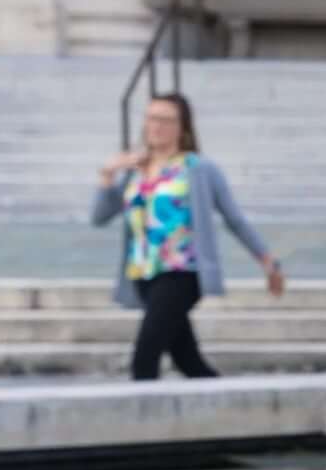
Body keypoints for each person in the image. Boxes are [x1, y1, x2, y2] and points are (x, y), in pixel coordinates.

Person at [89, 92, 283, 379]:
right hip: (144, 273)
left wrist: (268, 261)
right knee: (188, 361)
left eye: (166, 120)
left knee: (145, 358)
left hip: (182, 272)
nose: (157, 126)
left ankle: (143, 420)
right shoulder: (136, 171)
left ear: (183, 127)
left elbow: (234, 219)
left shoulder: (199, 169)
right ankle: (228, 410)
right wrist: (107, 175)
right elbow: (100, 217)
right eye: (152, 118)